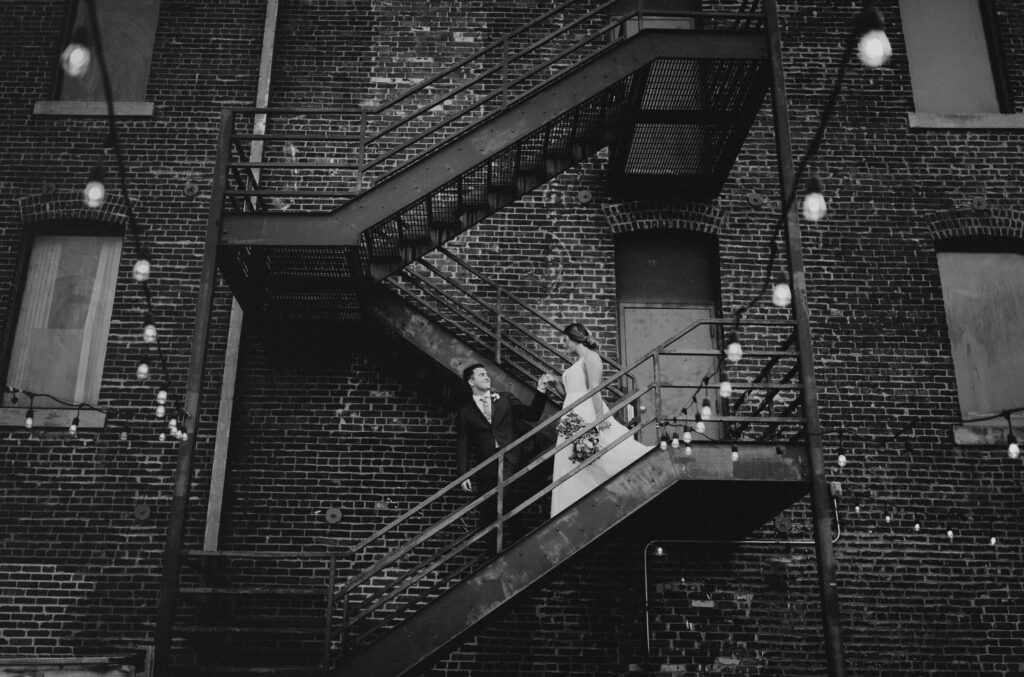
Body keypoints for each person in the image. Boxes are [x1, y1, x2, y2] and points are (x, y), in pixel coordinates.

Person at [549, 322, 652, 516]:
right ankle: (571, 508)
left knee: (600, 452)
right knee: (570, 461)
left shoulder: (591, 357)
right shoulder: (577, 362)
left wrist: (599, 415)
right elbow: (570, 394)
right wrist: (555, 384)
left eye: (565, 339)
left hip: (586, 410)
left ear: (573, 338)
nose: (563, 344)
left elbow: (595, 388)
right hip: (571, 414)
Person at [456, 363, 551, 553]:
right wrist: (464, 474)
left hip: (511, 459)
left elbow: (532, 415)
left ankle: (516, 546)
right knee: (500, 505)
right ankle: (501, 551)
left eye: (487, 373)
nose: (487, 376)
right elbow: (463, 444)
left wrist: (540, 390)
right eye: (481, 374)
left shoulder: (505, 399)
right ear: (471, 381)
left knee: (497, 499)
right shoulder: (466, 412)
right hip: (487, 467)